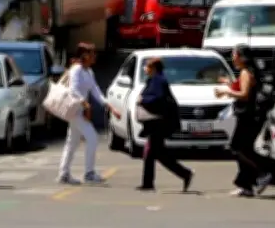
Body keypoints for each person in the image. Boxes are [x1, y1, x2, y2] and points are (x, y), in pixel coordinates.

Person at [58, 43, 121, 185]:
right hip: (75, 110)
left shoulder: (88, 72)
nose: (95, 57)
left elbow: (96, 91)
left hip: (81, 110)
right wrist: (85, 103)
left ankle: (64, 173)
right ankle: (89, 173)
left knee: (72, 142)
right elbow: (73, 90)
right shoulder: (76, 70)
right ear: (85, 55)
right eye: (92, 54)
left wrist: (109, 106)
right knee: (92, 137)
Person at [216, 44, 273, 197]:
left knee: (238, 148)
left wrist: (227, 91)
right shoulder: (246, 72)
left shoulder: (246, 73)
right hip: (249, 116)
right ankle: (246, 185)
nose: (232, 58)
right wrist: (228, 84)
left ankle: (262, 173)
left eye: (234, 55)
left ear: (241, 57)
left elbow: (244, 94)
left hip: (248, 116)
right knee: (243, 149)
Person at [136, 57, 193, 192]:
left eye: (147, 66)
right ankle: (148, 183)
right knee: (153, 153)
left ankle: (184, 173)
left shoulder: (158, 80)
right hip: (156, 122)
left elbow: (158, 98)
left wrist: (143, 99)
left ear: (154, 68)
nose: (145, 69)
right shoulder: (155, 79)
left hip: (159, 122)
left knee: (155, 152)